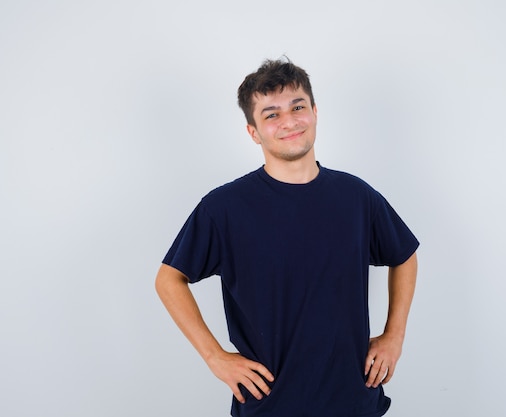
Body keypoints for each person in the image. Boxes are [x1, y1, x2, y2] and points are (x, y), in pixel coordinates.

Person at [155, 58, 419, 417]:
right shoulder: (224, 208)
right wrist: (215, 357)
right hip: (270, 406)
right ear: (253, 131)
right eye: (271, 114)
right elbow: (169, 279)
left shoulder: (357, 197)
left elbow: (403, 255)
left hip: (354, 401)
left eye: (298, 107)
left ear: (314, 112)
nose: (290, 122)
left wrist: (394, 336)